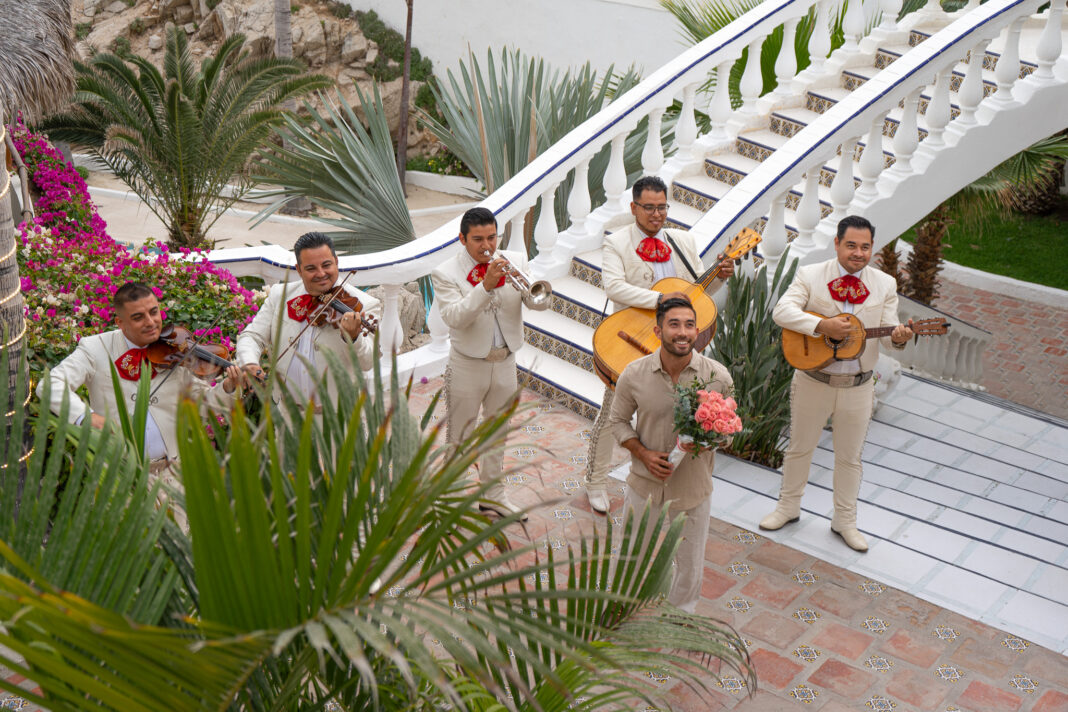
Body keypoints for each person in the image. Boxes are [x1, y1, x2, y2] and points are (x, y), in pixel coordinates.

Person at [759, 215, 914, 552]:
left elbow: (888, 336)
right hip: (813, 379)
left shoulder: (885, 284)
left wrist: (899, 338)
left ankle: (845, 520)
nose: (858, 253)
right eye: (851, 245)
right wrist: (822, 326)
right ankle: (787, 507)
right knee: (800, 448)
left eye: (865, 247)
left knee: (850, 458)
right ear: (837, 244)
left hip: (859, 386)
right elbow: (782, 312)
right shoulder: (811, 274)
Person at [585, 175, 734, 514]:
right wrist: (659, 298)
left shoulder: (682, 240)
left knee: (678, 414)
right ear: (634, 207)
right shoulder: (617, 242)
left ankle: (673, 479)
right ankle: (595, 481)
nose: (656, 214)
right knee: (612, 415)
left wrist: (720, 277)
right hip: (632, 342)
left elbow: (698, 294)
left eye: (662, 207)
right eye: (649, 208)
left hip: (676, 348)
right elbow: (614, 288)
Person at [39, 282, 243, 513]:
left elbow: (204, 405)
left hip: (174, 475)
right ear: (120, 322)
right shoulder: (95, 349)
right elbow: (50, 385)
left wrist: (228, 387)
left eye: (154, 312)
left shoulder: (175, 348)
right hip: (121, 477)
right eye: (138, 317)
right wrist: (87, 418)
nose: (151, 322)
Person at [609, 296, 733, 612]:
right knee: (630, 554)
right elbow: (618, 421)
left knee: (690, 559)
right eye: (674, 324)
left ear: (697, 331)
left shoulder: (718, 377)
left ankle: (682, 614)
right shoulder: (634, 374)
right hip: (644, 484)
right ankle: (621, 606)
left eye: (689, 325)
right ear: (658, 330)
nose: (682, 332)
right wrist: (642, 453)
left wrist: (709, 442)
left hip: (692, 487)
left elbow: (729, 434)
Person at [431, 207, 550, 519]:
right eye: (478, 239)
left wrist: (534, 291)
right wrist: (485, 285)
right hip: (468, 364)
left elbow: (539, 304)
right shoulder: (445, 272)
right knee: (459, 435)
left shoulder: (515, 261)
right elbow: (454, 318)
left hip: (506, 361)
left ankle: (493, 496)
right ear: (462, 239)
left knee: (499, 430)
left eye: (492, 237)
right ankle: (452, 499)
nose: (487, 246)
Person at [236, 232, 381, 409]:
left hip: (338, 420)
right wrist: (249, 362)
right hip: (288, 415)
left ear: (336, 262)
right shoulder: (279, 295)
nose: (321, 274)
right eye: (311, 268)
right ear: (299, 269)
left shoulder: (364, 304)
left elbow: (368, 363)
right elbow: (252, 336)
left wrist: (354, 337)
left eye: (326, 265)